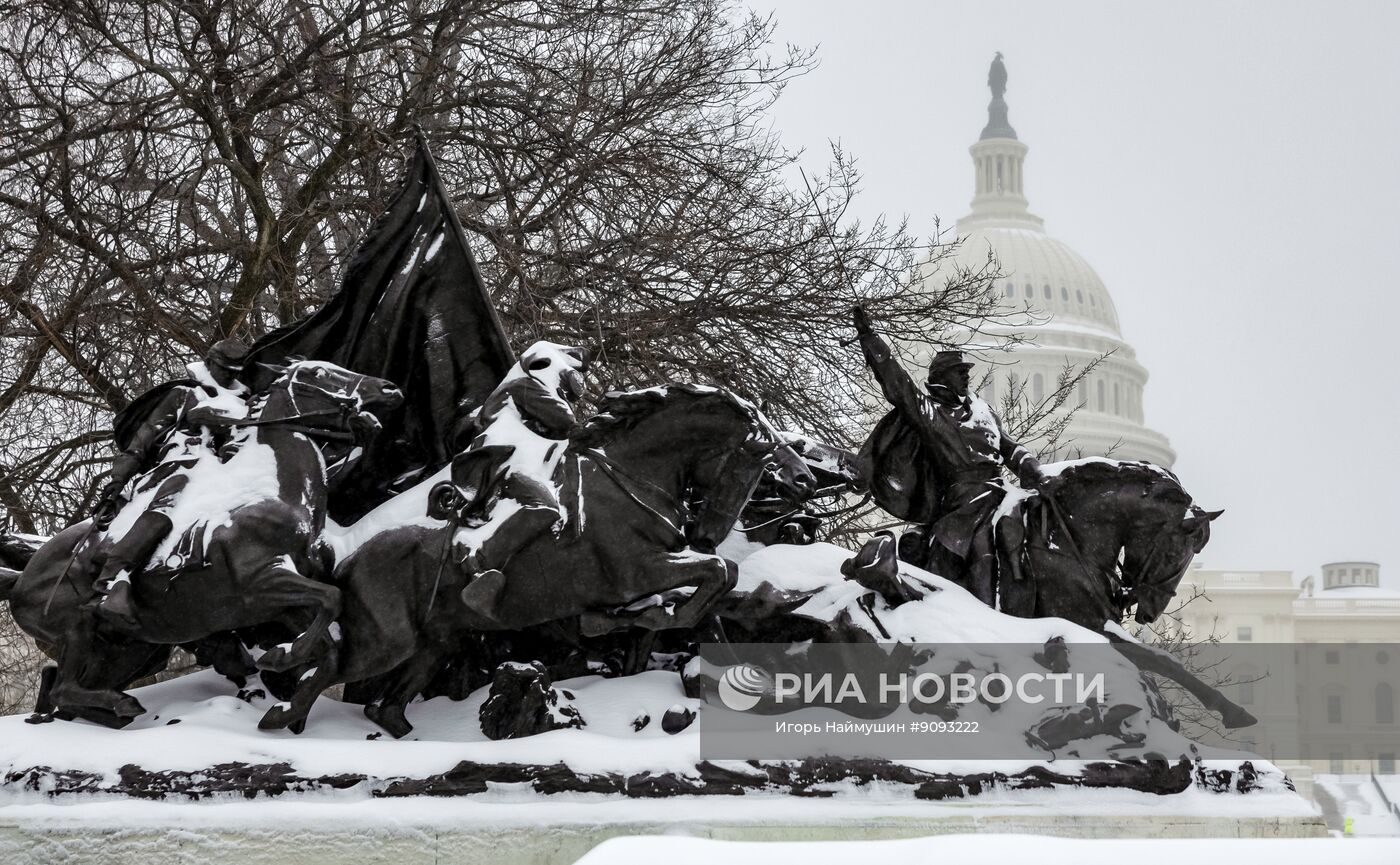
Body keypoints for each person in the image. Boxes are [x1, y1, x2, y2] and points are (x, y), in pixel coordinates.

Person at [852, 307, 1044, 605]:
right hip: (964, 504)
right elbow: (898, 385)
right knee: (982, 545)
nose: (967, 378)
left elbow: (1009, 447)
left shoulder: (983, 409)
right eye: (960, 373)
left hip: (1002, 492)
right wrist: (869, 338)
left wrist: (1031, 467)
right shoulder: (932, 413)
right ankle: (984, 612)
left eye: (967, 373)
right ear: (943, 378)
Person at [94, 338, 252, 628]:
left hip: (225, 473)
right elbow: (142, 442)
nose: (229, 375)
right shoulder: (183, 395)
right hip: (178, 466)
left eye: (234, 370)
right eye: (224, 368)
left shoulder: (245, 405)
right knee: (175, 492)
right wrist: (117, 480)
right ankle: (113, 579)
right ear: (210, 363)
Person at [447, 341, 587, 623]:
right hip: (500, 466)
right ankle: (480, 561)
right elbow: (564, 420)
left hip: (518, 462)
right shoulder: (523, 384)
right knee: (544, 506)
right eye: (571, 373)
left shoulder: (525, 383)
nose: (576, 382)